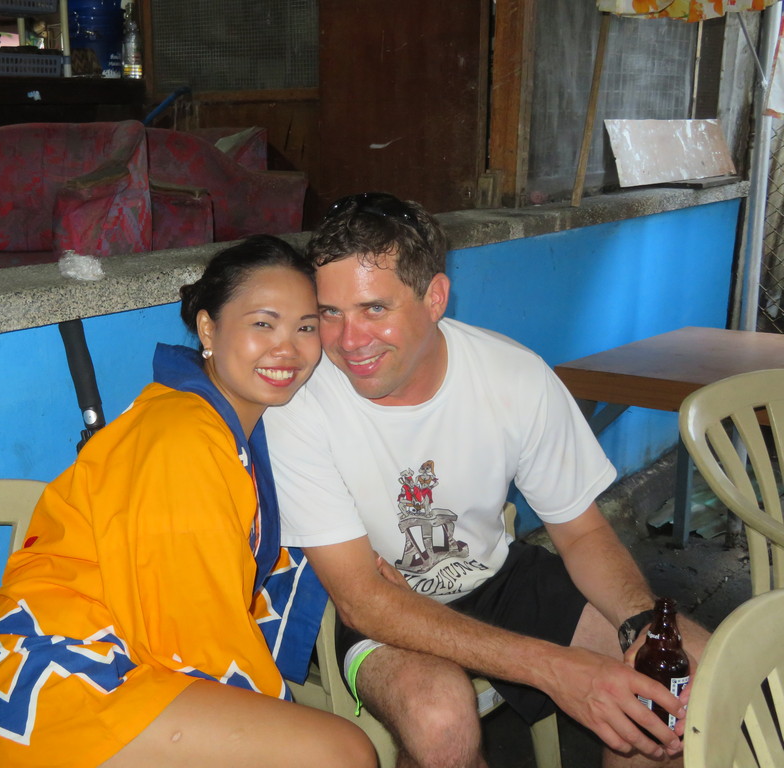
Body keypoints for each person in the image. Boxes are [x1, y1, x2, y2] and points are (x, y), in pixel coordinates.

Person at [262, 193, 710, 768]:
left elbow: (581, 532)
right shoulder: (299, 402)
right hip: (370, 604)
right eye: (330, 312)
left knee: (679, 681)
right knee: (440, 721)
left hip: (495, 575)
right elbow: (361, 600)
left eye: (374, 308)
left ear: (435, 297)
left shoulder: (513, 375)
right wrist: (553, 668)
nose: (348, 341)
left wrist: (640, 621)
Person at [0, 235, 377, 768]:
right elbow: (192, 627)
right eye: (263, 324)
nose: (287, 348)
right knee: (340, 753)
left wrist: (352, 564)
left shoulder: (222, 421)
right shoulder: (182, 435)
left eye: (305, 327)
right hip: (68, 685)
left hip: (116, 663)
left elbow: (245, 551)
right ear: (208, 328)